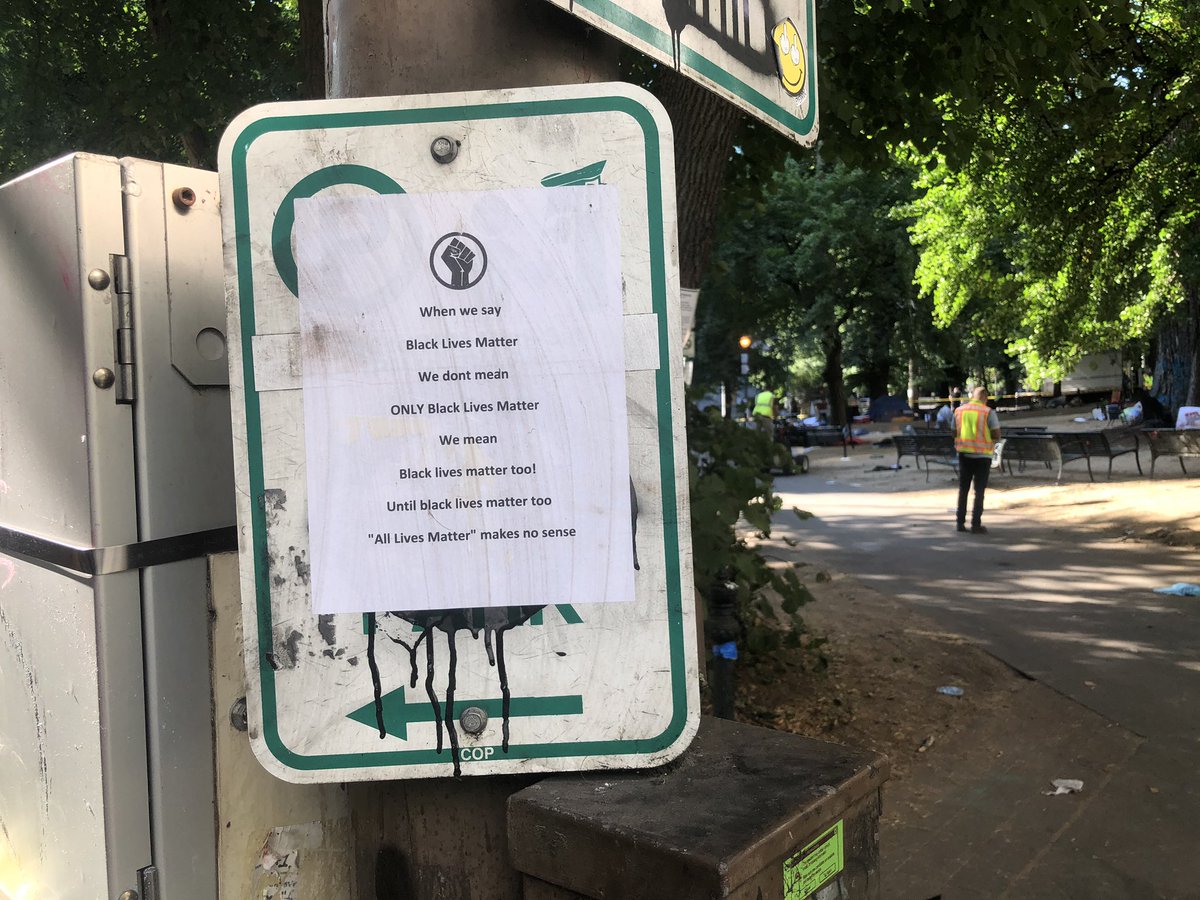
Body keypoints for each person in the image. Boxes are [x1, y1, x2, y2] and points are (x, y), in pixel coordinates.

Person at [953, 386, 1000, 535]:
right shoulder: (988, 412)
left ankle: (960, 523)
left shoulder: (959, 411)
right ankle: (976, 524)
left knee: (963, 490)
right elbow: (996, 434)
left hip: (964, 454)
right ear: (985, 398)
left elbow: (953, 431)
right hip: (982, 456)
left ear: (972, 396)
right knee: (979, 492)